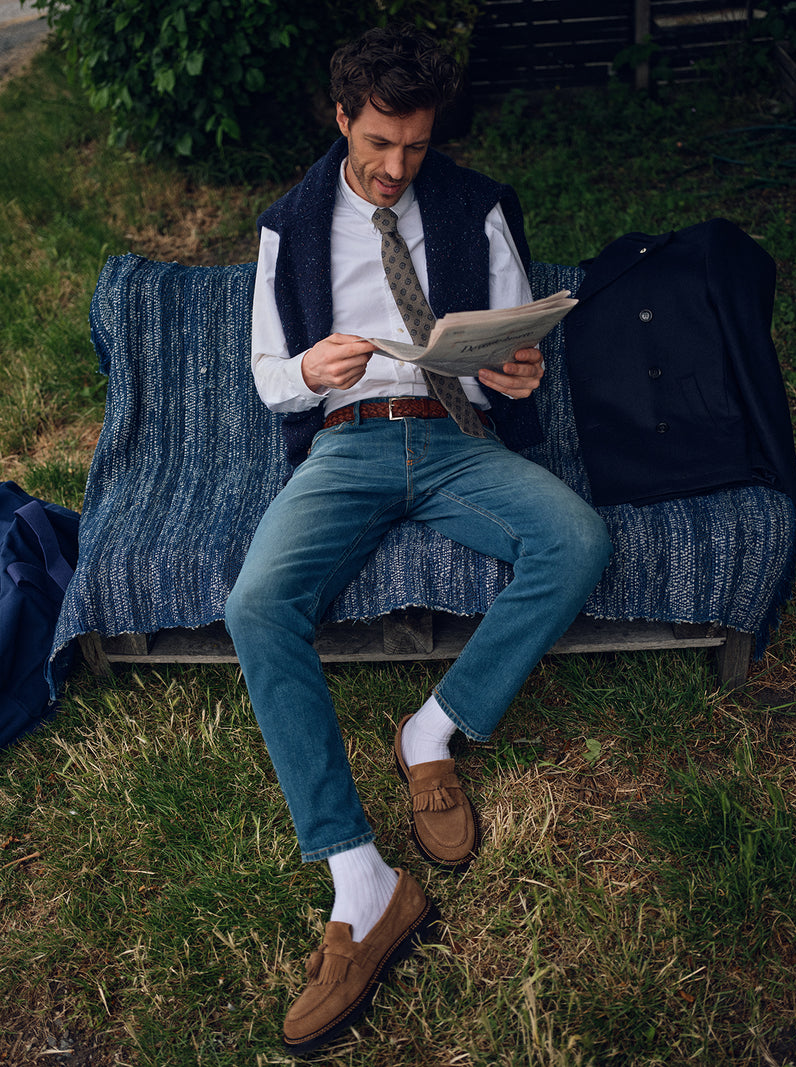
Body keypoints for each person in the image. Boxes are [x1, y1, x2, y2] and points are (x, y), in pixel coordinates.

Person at [224, 24, 611, 1054]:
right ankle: (360, 873)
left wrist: (510, 371)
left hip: (450, 438)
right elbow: (265, 369)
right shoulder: (287, 223)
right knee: (254, 604)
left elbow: (512, 334)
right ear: (342, 115)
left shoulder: (473, 203)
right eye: (380, 143)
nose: (396, 169)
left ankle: (430, 732)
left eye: (415, 147)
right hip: (344, 451)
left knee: (574, 537)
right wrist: (311, 371)